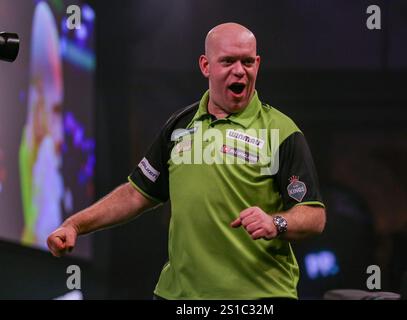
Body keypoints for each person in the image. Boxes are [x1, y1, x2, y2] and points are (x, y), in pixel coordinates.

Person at [47, 22, 326, 300]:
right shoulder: (179, 126)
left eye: (247, 61)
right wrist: (74, 225)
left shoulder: (281, 131)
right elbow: (135, 194)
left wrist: (276, 223)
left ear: (258, 64)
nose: (240, 70)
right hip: (179, 296)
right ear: (206, 66)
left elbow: (314, 216)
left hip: (260, 297)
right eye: (228, 61)